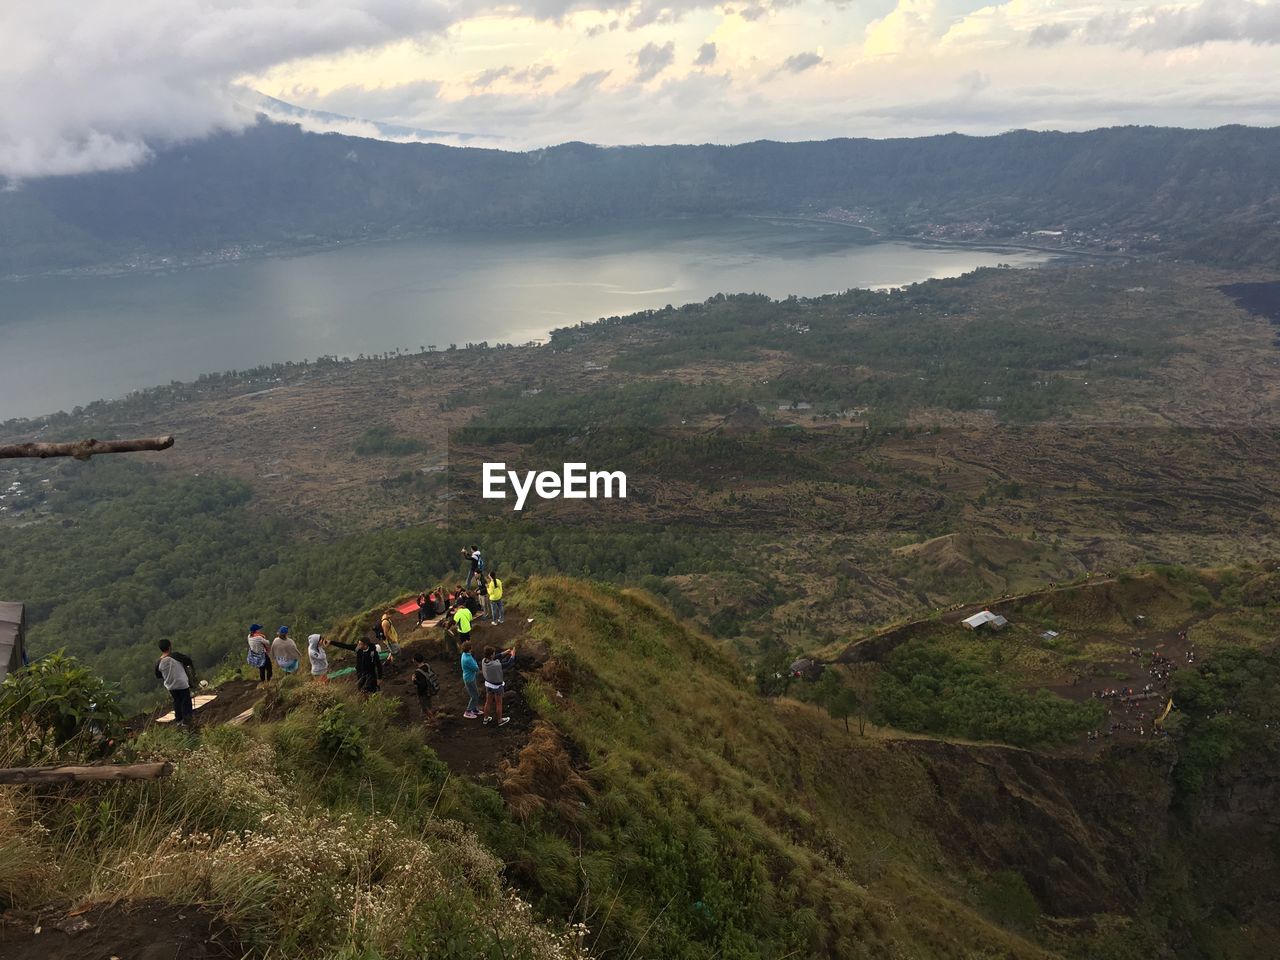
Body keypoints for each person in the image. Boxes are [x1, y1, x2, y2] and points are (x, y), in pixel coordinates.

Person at [155, 638, 194, 726]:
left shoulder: (158, 662)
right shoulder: (175, 656)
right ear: (169, 647)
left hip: (170, 685)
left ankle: (179, 720)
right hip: (182, 683)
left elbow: (158, 675)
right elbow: (188, 660)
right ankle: (187, 720)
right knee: (185, 701)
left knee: (177, 701)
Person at [480, 645, 511, 727]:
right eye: (493, 653)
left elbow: (495, 657)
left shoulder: (484, 661)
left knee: (488, 702)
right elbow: (508, 664)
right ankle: (500, 721)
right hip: (497, 686)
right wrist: (513, 655)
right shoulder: (496, 665)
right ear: (491, 655)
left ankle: (485, 719)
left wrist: (505, 653)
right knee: (499, 704)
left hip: (488, 684)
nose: (495, 654)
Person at [411, 652, 440, 720]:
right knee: (429, 704)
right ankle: (431, 717)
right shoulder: (427, 665)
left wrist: (414, 681)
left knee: (424, 708)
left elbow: (422, 684)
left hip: (423, 692)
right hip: (430, 689)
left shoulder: (418, 672)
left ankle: (433, 720)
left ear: (415, 661)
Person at [460, 640, 481, 719]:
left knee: (475, 694)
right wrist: (475, 664)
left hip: (469, 677)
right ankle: (468, 711)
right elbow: (476, 668)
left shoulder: (465, 654)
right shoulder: (468, 658)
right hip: (469, 679)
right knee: (474, 696)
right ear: (469, 648)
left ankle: (474, 709)